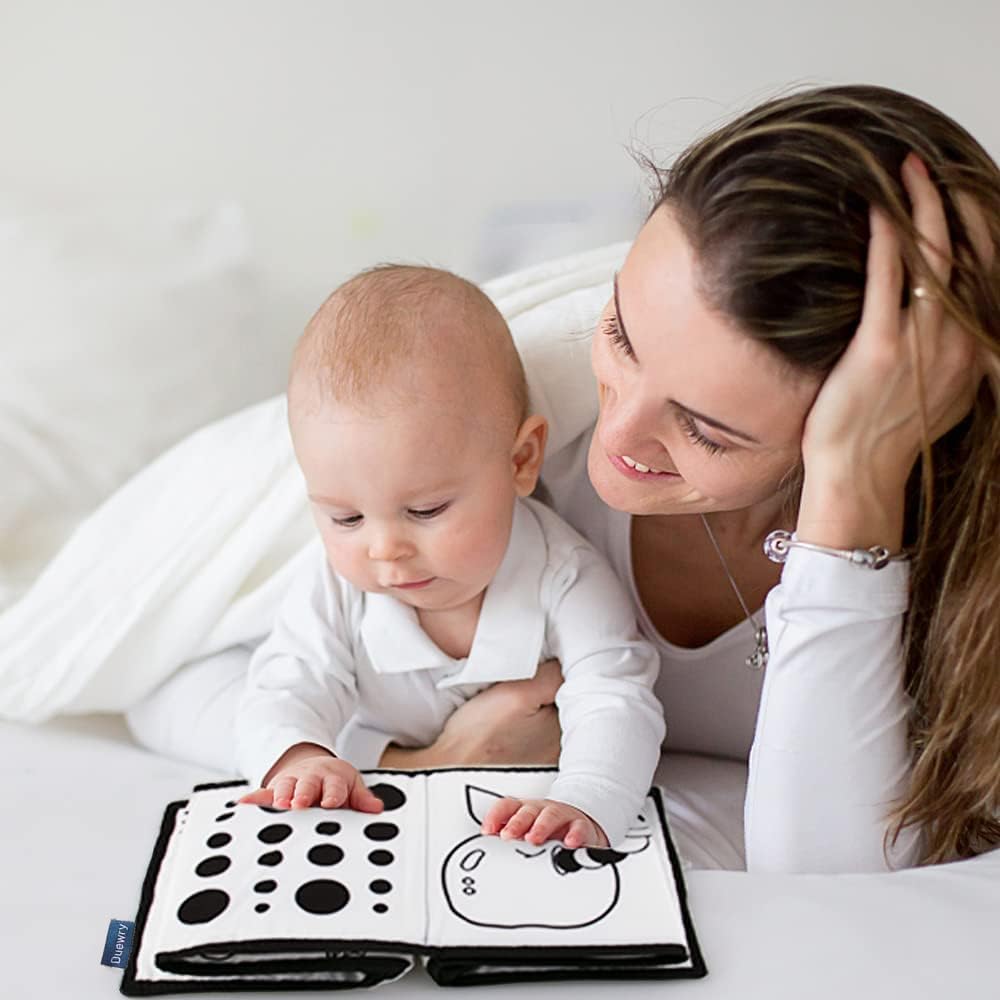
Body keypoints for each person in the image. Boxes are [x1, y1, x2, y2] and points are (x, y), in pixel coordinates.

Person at [126, 83, 1000, 873]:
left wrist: (850, 495)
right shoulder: (482, 444)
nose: (613, 439)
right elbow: (166, 674)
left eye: (704, 429)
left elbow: (828, 878)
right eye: (620, 334)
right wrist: (418, 769)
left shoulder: (943, 560)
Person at [233, 264, 665, 851]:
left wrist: (585, 798)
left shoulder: (564, 576)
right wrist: (300, 756)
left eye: (428, 509)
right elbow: (286, 684)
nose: (384, 550)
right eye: (346, 518)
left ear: (520, 461)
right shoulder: (334, 585)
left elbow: (614, 694)